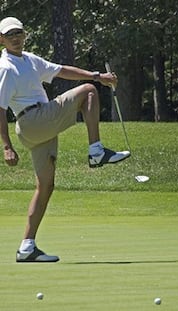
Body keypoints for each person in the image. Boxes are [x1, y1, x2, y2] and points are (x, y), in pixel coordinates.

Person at [0, 17, 131, 263]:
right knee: (88, 92)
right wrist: (6, 146)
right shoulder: (5, 68)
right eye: (10, 35)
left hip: (40, 126)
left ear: (24, 34)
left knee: (46, 186)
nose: (16, 38)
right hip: (33, 120)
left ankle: (27, 246)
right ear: (1, 40)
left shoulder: (30, 60)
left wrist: (96, 74)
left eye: (19, 33)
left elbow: (61, 70)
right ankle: (96, 151)